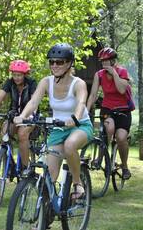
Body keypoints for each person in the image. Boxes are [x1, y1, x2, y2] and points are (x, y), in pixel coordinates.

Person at [14, 43, 93, 200]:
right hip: (58, 128)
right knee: (49, 178)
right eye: (52, 62)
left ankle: (78, 183)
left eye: (60, 62)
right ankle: (46, 213)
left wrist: (74, 118)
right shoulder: (46, 81)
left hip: (80, 126)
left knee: (70, 145)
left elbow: (81, 102)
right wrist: (22, 116)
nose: (55, 65)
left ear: (70, 63)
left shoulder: (78, 83)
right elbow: (33, 102)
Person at [86, 47, 133, 180]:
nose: (104, 64)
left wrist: (114, 74)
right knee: (109, 127)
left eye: (107, 61)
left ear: (113, 61)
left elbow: (122, 90)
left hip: (123, 110)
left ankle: (124, 166)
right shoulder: (99, 75)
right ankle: (102, 156)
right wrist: (86, 109)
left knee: (121, 138)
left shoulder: (122, 71)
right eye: (102, 61)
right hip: (107, 108)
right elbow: (94, 94)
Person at [0, 60, 37, 169]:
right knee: (4, 134)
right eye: (14, 75)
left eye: (19, 75)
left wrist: (31, 115)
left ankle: (25, 168)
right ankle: (7, 163)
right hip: (14, 115)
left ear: (25, 75)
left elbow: (34, 101)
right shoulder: (10, 83)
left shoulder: (31, 83)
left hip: (29, 116)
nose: (16, 77)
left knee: (22, 135)